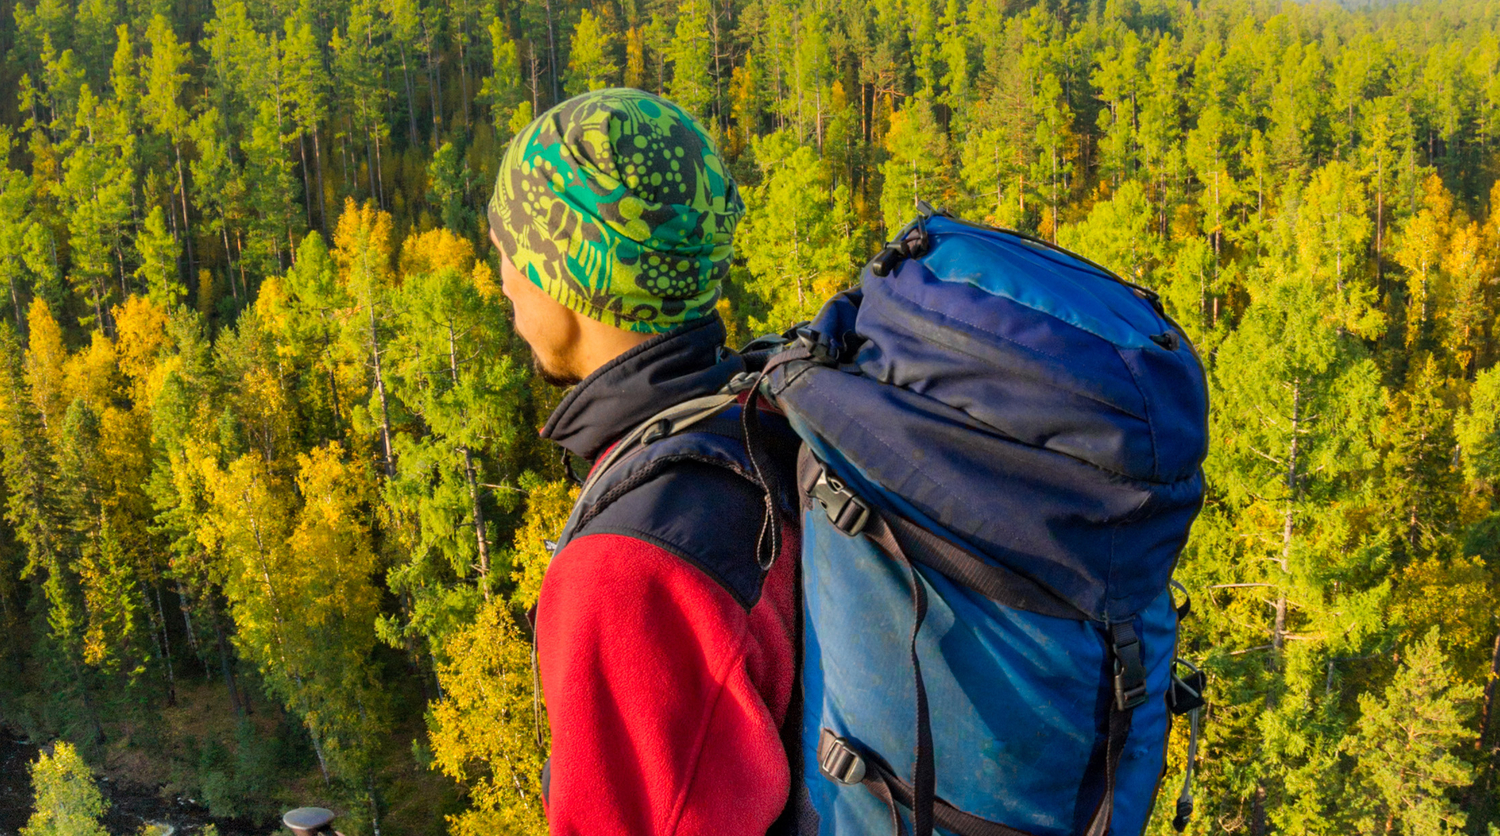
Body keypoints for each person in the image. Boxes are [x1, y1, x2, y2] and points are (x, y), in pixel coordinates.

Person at [486, 88, 798, 835]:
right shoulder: (761, 413)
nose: (501, 281)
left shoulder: (630, 570)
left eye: (507, 253)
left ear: (566, 281)